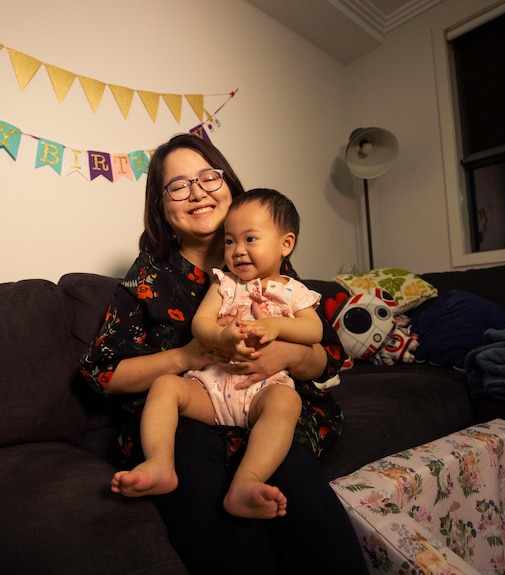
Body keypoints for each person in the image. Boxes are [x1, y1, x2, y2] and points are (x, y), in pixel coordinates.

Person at [80, 133, 367, 574]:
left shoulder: (263, 251)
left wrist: (284, 356)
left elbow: (326, 353)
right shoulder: (150, 274)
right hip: (193, 412)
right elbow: (101, 374)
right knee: (220, 532)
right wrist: (187, 357)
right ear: (161, 207)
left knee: (311, 516)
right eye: (177, 185)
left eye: (207, 177)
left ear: (229, 184)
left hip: (268, 404)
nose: (197, 192)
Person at [111, 188, 323, 520]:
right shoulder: (224, 283)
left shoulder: (294, 291)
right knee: (166, 386)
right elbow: (201, 324)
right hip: (210, 389)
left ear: (286, 244)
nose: (238, 251)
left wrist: (277, 329)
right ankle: (160, 462)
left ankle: (246, 483)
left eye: (250, 239)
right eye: (229, 241)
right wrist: (222, 336)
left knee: (286, 402)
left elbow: (315, 332)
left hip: (262, 391)